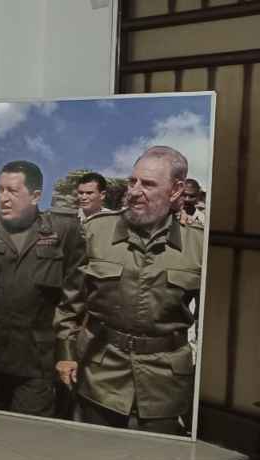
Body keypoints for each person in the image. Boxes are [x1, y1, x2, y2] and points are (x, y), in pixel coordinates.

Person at [55, 146, 203, 435]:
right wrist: (66, 353)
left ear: (176, 190)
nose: (134, 191)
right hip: (99, 376)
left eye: (148, 184)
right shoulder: (96, 232)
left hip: (165, 385)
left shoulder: (198, 245)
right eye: (132, 181)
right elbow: (70, 304)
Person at [0, 160, 83, 417]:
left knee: (29, 434)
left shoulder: (63, 232)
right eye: (0, 190)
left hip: (36, 360)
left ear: (36, 196)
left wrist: (66, 353)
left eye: (12, 191)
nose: (3, 198)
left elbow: (72, 300)